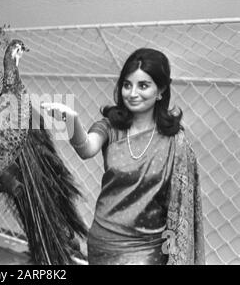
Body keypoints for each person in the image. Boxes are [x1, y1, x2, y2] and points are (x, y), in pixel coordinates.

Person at [41, 48, 205, 265]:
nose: (133, 93)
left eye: (143, 85)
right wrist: (71, 120)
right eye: (127, 85)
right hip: (103, 241)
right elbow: (87, 148)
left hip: (147, 249)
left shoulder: (175, 142)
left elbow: (180, 205)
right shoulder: (111, 127)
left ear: (161, 91)